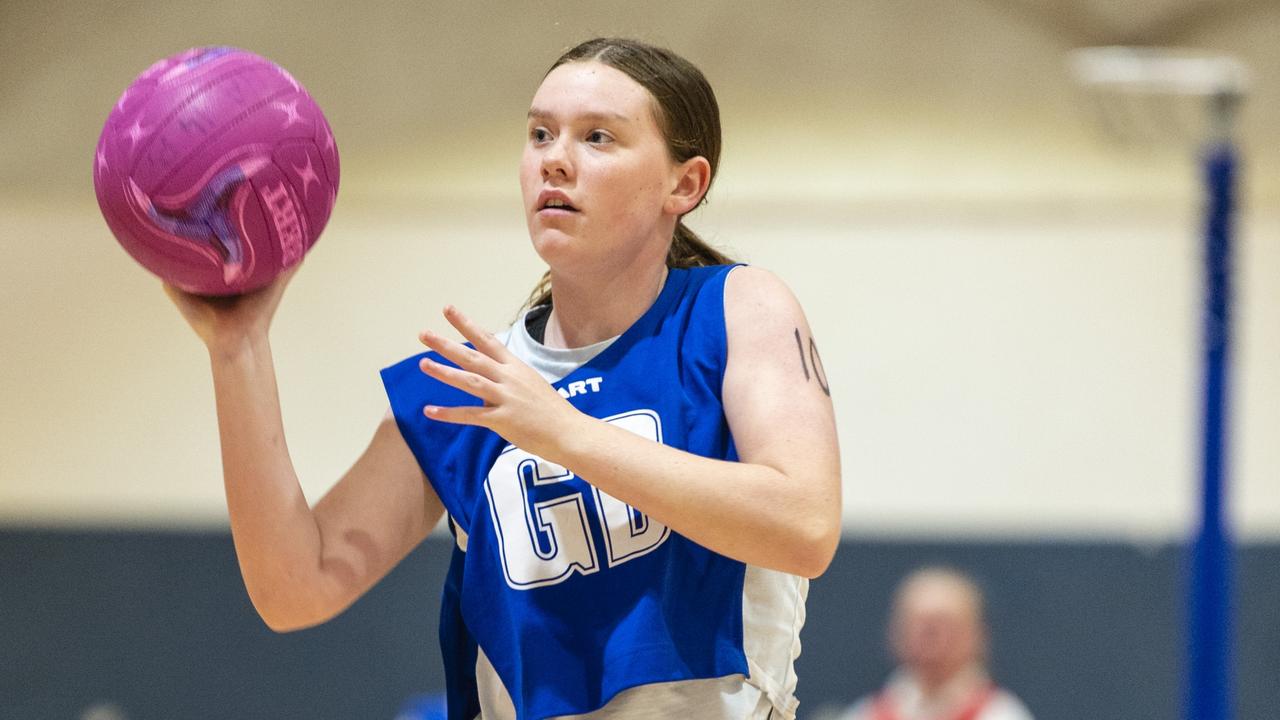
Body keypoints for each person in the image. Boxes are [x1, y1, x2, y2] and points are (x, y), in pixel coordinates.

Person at [165, 37, 840, 720]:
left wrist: (563, 432)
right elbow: (294, 589)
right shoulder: (471, 386)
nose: (555, 158)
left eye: (598, 137)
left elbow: (804, 525)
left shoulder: (736, 308)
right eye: (540, 133)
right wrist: (237, 349)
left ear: (684, 184)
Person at [842, 568, 1033, 720]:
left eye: (945, 626)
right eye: (921, 627)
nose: (932, 640)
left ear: (977, 634)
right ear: (896, 632)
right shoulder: (866, 714)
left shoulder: (1001, 715)